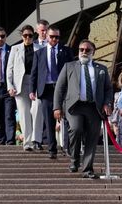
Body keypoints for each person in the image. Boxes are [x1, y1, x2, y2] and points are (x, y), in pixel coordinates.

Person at [53, 39, 113, 178]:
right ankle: (74, 160)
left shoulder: (101, 69)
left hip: (94, 107)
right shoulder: (69, 66)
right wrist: (57, 107)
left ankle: (87, 169)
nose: (84, 52)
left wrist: (107, 103)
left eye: (87, 50)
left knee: (92, 137)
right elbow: (59, 88)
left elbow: (108, 89)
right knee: (76, 129)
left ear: (93, 52)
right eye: (81, 50)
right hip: (74, 106)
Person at [29, 26, 73, 159]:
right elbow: (34, 73)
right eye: (52, 36)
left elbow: (72, 71)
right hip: (46, 89)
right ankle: (52, 148)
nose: (54, 39)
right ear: (46, 37)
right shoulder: (39, 53)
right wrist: (32, 90)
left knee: (67, 119)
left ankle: (68, 147)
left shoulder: (66, 51)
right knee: (49, 120)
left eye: (57, 37)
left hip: (63, 89)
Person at [6, 26, 40, 150]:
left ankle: (36, 140)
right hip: (20, 84)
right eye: (25, 35)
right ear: (22, 36)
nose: (27, 38)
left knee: (36, 111)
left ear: (33, 36)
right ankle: (27, 143)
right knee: (24, 113)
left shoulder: (39, 48)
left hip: (35, 83)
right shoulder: (15, 49)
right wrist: (10, 86)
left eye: (30, 35)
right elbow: (9, 69)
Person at [29, 20, 51, 149]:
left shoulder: (54, 44)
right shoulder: (32, 45)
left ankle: (51, 139)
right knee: (36, 111)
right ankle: (36, 140)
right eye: (42, 30)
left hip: (52, 83)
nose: (44, 32)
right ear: (37, 30)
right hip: (38, 84)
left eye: (46, 30)